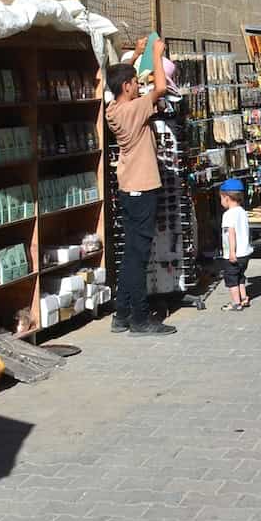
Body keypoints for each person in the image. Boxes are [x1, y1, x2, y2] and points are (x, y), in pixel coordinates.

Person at [104, 62, 176, 336]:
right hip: (142, 188)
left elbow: (120, 83)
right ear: (126, 86)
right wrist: (157, 55)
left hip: (129, 187)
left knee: (131, 254)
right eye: (134, 81)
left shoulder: (114, 109)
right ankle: (140, 319)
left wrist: (135, 55)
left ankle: (121, 314)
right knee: (138, 256)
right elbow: (160, 88)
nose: (138, 85)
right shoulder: (132, 109)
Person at [219, 179, 253, 311]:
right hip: (245, 253)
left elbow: (231, 233)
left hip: (233, 254)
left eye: (221, 198)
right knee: (240, 276)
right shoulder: (242, 212)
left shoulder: (228, 215)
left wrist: (231, 252)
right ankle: (244, 298)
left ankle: (235, 302)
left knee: (231, 278)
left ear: (226, 198)